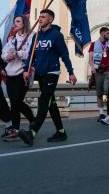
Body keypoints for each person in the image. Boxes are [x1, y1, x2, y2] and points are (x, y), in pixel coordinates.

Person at [18, 9, 77, 146]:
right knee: (51, 103)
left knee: (44, 101)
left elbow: (64, 55)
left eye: (43, 17)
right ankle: (61, 132)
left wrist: (71, 72)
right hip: (40, 73)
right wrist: (26, 69)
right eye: (39, 17)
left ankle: (31, 132)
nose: (40, 19)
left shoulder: (56, 35)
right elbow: (31, 56)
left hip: (52, 72)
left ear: (50, 19)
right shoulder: (36, 36)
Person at [1, 15, 35, 141]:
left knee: (16, 102)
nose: (15, 23)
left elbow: (32, 54)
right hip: (10, 74)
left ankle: (15, 130)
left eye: (18, 21)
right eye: (14, 21)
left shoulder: (31, 38)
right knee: (15, 102)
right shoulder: (12, 40)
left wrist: (18, 53)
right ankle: (33, 120)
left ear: (24, 23)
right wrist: (7, 56)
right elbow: (3, 54)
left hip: (23, 74)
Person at [87, 27, 109, 122]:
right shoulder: (94, 44)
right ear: (102, 33)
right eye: (107, 33)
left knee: (107, 90)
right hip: (98, 71)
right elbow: (90, 58)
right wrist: (93, 68)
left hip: (108, 71)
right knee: (99, 93)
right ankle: (102, 113)